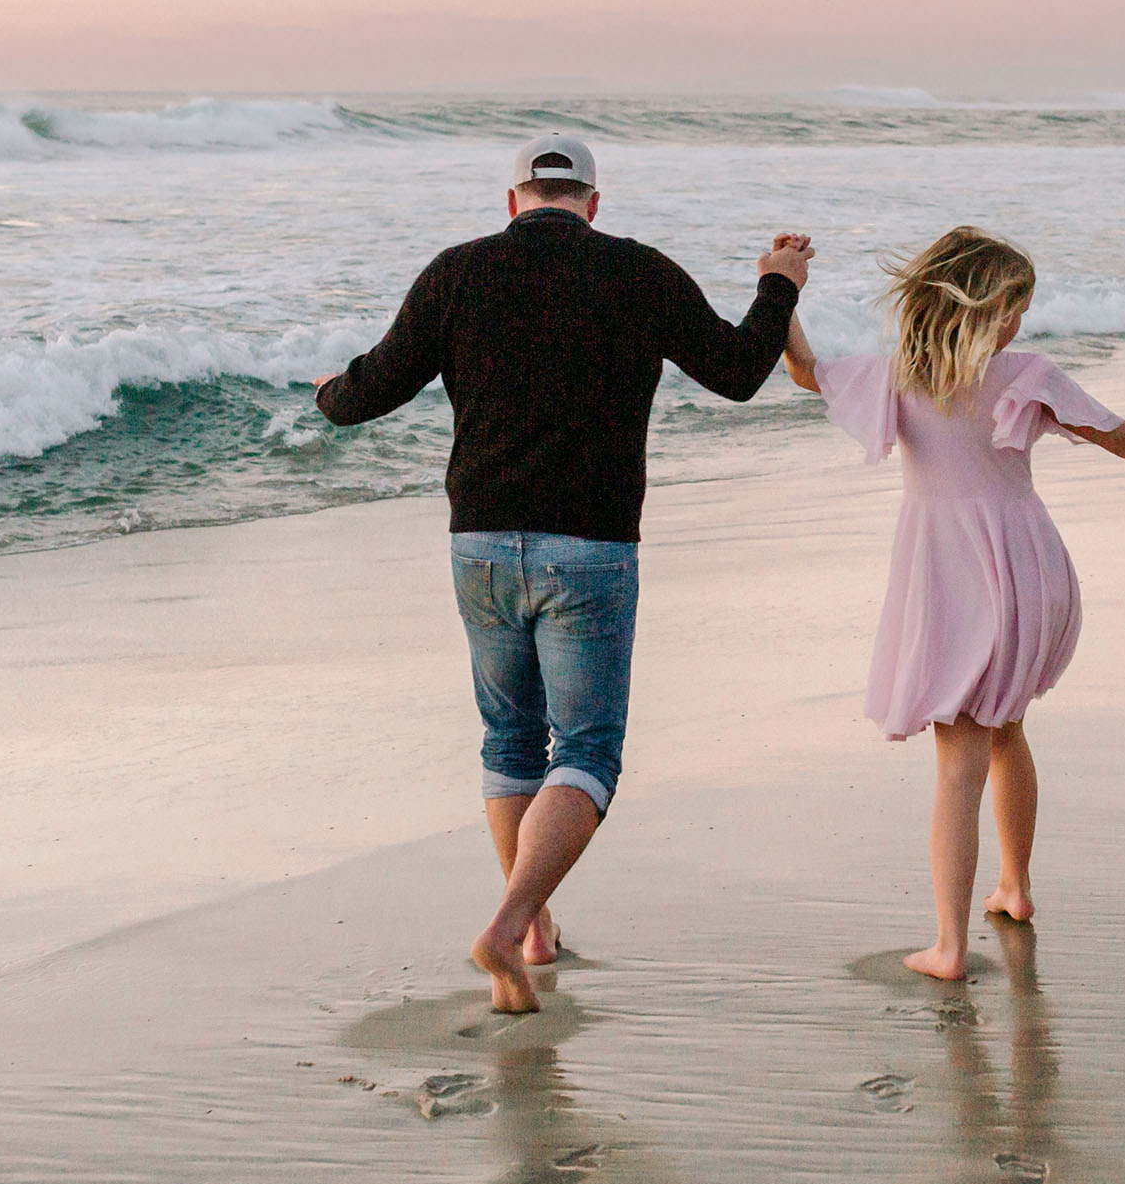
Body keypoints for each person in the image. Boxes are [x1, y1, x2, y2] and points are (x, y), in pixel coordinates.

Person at [313, 133, 812, 1013]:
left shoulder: (456, 271)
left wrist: (327, 391)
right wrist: (779, 284)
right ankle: (511, 922)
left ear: (512, 202)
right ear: (592, 202)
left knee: (509, 741)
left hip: (480, 545)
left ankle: (534, 928)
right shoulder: (638, 271)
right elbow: (737, 374)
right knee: (583, 752)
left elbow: (368, 392)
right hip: (589, 547)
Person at [781, 228, 1125, 981]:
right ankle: (1014, 887)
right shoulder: (1026, 373)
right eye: (1014, 306)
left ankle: (949, 946)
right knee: (1005, 727)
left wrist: (782, 286)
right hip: (1027, 570)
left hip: (953, 575)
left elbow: (801, 368)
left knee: (960, 762)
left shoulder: (897, 376)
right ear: (982, 306)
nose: (1020, 322)